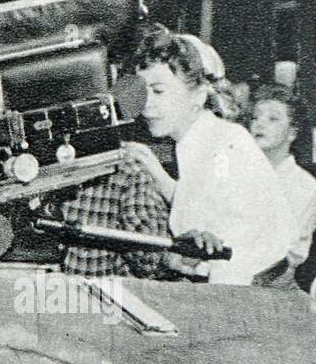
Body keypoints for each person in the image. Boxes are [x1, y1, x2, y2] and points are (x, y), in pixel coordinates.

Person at [120, 28, 296, 286]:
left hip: (260, 289)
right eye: (142, 93)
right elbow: (204, 202)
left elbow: (232, 238)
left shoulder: (224, 144)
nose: (146, 104)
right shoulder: (201, 138)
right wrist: (156, 172)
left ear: (199, 95)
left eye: (158, 91)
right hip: (246, 282)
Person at [248, 84, 316, 268]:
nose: (260, 123)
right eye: (255, 117)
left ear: (292, 133)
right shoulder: (239, 173)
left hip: (273, 278)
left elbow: (287, 248)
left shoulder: (303, 184)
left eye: (273, 118)